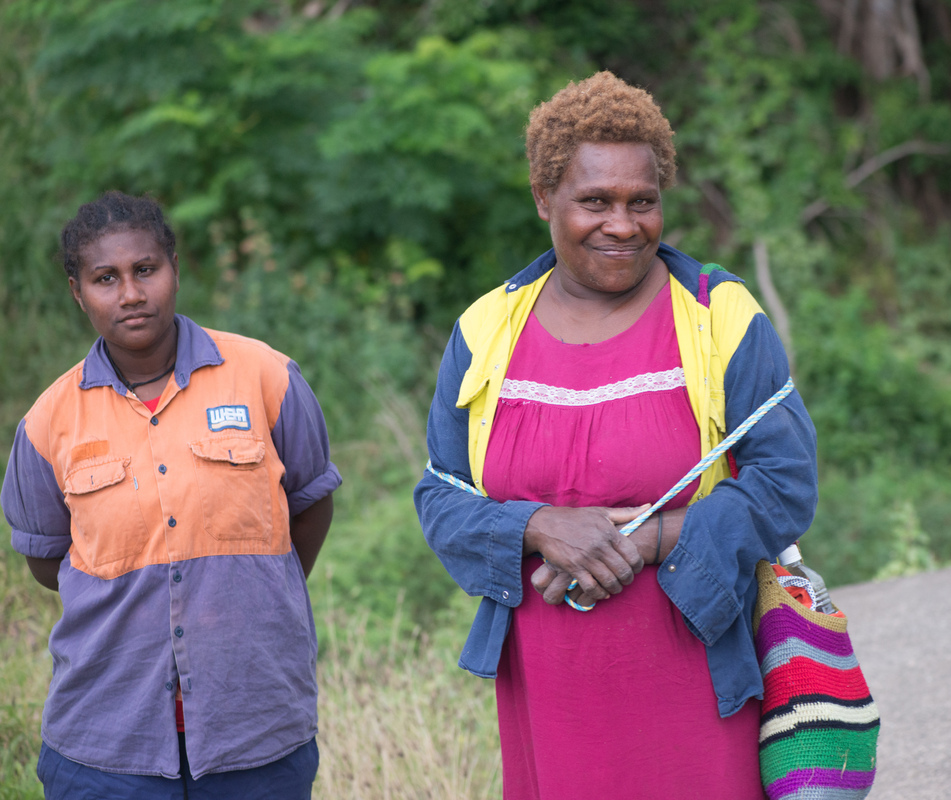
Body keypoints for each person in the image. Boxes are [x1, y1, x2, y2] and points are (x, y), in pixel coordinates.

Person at [414, 71, 818, 798]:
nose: (622, 224)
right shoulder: (485, 333)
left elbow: (784, 482)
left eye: (643, 201)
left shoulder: (718, 318)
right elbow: (439, 497)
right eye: (594, 201)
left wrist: (648, 539)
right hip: (549, 687)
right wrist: (539, 527)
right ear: (545, 199)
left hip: (693, 672)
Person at [1, 191, 342, 799]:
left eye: (145, 270)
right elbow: (50, 562)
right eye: (105, 278)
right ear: (78, 293)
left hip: (255, 730)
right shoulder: (46, 424)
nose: (130, 293)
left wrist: (253, 588)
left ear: (175, 270)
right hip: (107, 742)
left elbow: (310, 508)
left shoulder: (267, 377)